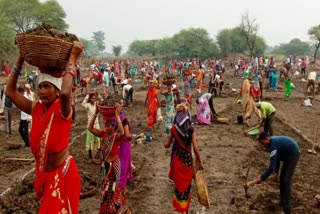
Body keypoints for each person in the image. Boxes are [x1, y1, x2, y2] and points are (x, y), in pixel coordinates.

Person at [5, 41, 83, 213]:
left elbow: (65, 93)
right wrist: (19, 61)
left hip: (63, 177)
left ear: (56, 90)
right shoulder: (36, 108)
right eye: (39, 86)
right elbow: (10, 92)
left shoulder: (63, 110)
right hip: (46, 177)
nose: (41, 91)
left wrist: (72, 58)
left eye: (46, 86)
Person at [88, 103, 130, 214]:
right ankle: (115, 210)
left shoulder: (116, 137)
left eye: (108, 126)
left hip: (113, 167)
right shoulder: (103, 134)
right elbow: (90, 128)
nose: (106, 128)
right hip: (105, 167)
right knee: (107, 191)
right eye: (105, 125)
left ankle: (115, 210)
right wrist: (96, 113)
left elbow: (122, 132)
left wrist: (116, 115)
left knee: (112, 190)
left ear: (113, 126)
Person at [164, 105, 203, 214]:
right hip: (187, 160)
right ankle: (184, 209)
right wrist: (200, 161)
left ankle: (180, 209)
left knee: (179, 186)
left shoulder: (173, 129)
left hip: (178, 159)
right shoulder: (191, 129)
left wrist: (165, 144)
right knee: (186, 186)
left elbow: (167, 145)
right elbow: (195, 148)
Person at [248, 132, 299, 214]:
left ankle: (287, 210)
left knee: (286, 181)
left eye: (263, 143)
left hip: (293, 155)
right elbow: (277, 159)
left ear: (267, 139)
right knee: (282, 179)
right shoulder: (271, 143)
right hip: (286, 155)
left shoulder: (273, 146)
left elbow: (272, 166)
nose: (262, 145)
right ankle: (282, 201)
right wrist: (276, 172)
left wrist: (262, 177)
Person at [82, 91, 102, 163]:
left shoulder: (97, 104)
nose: (93, 99)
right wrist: (87, 95)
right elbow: (83, 104)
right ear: (90, 99)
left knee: (98, 140)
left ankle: (100, 155)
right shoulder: (87, 105)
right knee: (90, 142)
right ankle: (90, 158)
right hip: (90, 126)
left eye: (94, 98)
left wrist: (99, 95)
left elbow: (103, 102)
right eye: (92, 98)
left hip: (97, 125)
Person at [118, 111, 133, 195]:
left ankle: (123, 187)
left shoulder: (112, 120)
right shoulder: (123, 120)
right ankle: (122, 188)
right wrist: (131, 136)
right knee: (123, 166)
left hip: (116, 144)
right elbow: (127, 135)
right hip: (124, 145)